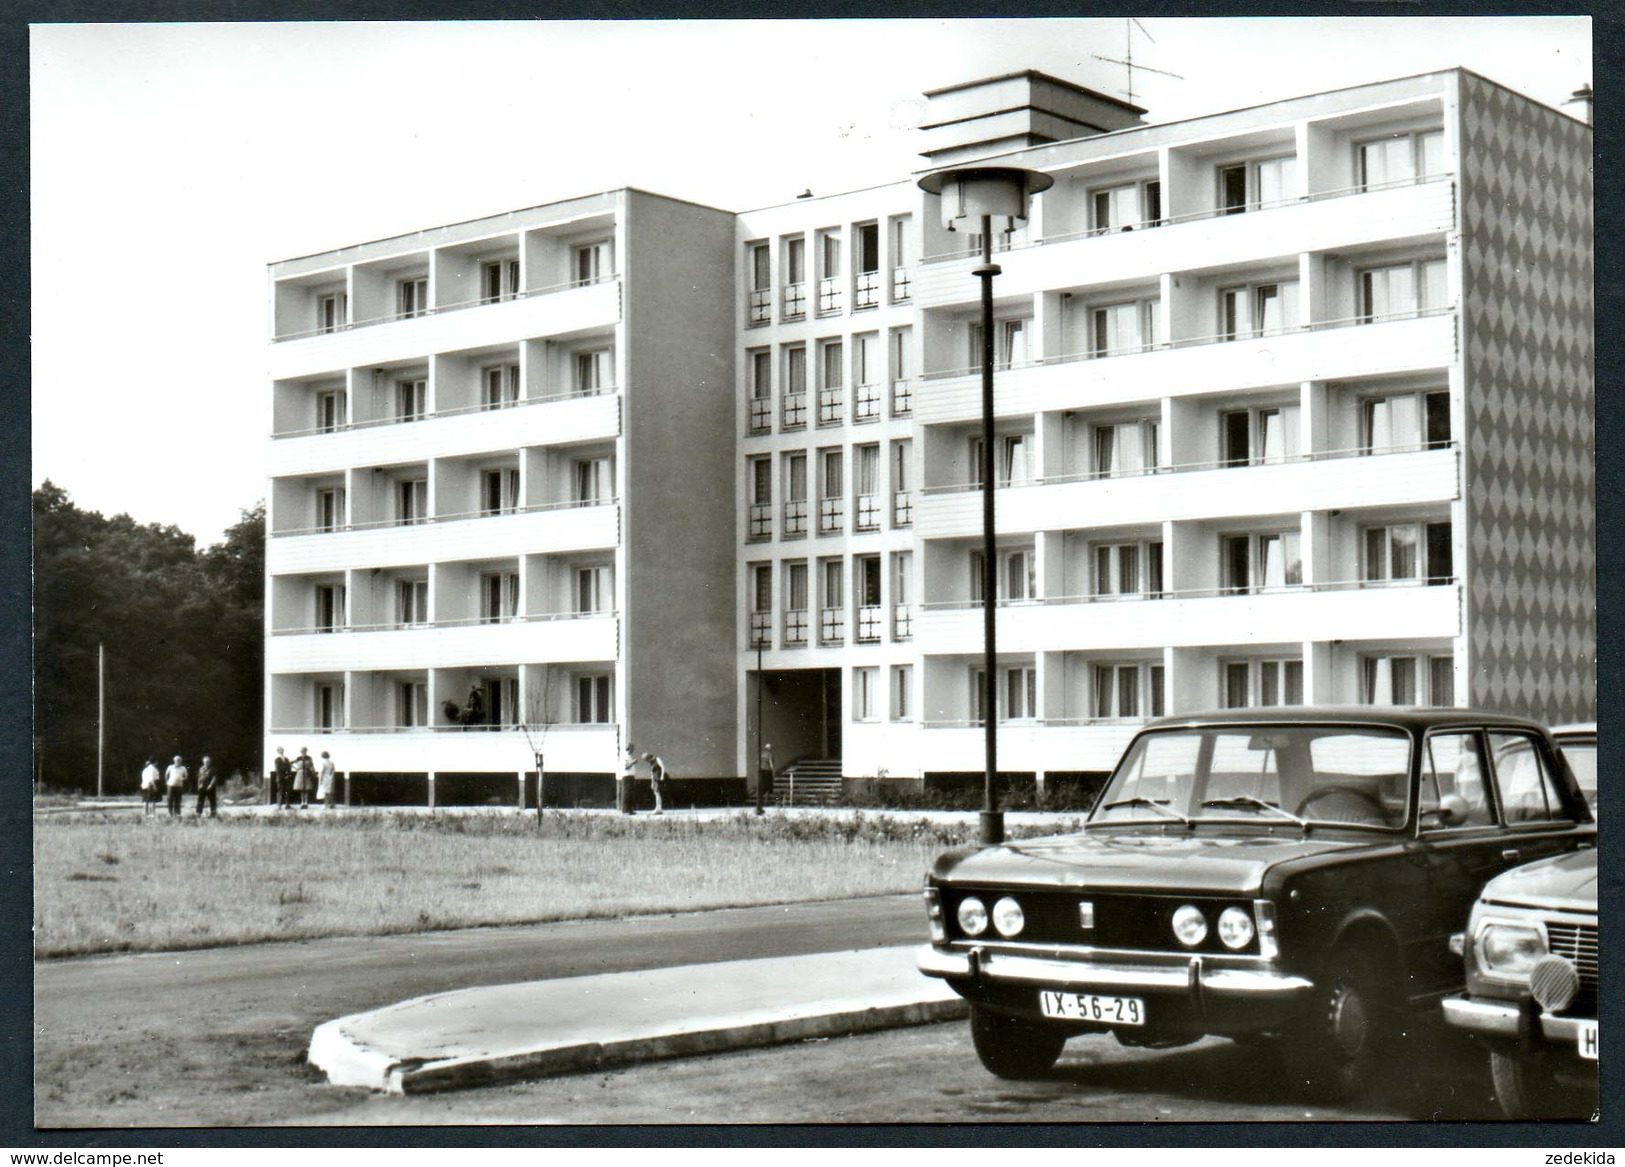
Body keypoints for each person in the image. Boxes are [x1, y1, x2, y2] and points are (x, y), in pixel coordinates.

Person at [619, 742, 638, 815]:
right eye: (632, 748)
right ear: (629, 748)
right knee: (626, 793)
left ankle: (629, 809)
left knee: (630, 794)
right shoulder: (625, 756)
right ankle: (625, 810)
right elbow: (626, 767)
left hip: (630, 776)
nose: (633, 750)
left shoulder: (629, 756)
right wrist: (633, 762)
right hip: (627, 776)